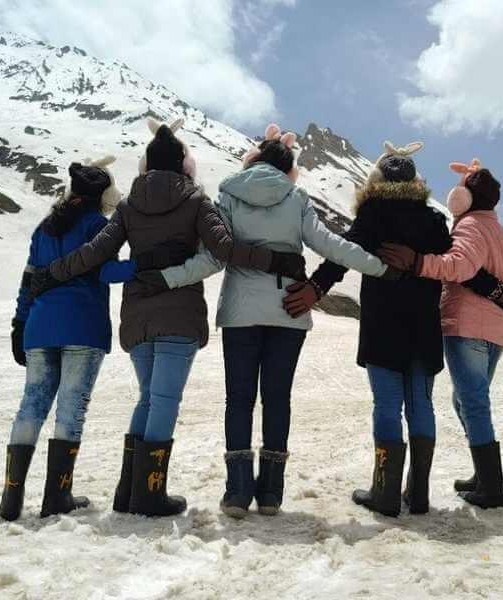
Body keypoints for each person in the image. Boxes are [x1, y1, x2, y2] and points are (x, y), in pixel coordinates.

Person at [30, 119, 306, 518]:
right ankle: (149, 493)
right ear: (184, 165)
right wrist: (276, 259)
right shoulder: (196, 201)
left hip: (138, 315)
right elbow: (225, 248)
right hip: (178, 314)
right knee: (164, 401)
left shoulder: (127, 206)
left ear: (145, 165)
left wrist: (51, 273)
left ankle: (129, 490)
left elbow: (94, 253)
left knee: (147, 398)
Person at [154, 124, 401, 519]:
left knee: (238, 399)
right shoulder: (296, 198)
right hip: (289, 310)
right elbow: (331, 245)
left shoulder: (229, 195)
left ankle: (237, 493)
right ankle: (270, 494)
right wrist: (379, 268)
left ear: (255, 160)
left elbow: (215, 256)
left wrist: (165, 278)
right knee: (277, 398)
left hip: (240, 311)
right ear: (289, 169)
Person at [283, 142, 503, 517]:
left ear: (377, 179)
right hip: (423, 325)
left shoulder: (373, 215)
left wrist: (315, 288)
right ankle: (419, 493)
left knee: (387, 405)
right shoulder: (433, 220)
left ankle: (385, 492)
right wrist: (500, 294)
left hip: (383, 323)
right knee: (421, 404)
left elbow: (342, 254)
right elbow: (458, 266)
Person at [0, 157, 178, 522]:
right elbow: (106, 272)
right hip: (82, 325)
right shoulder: (98, 225)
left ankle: (10, 499)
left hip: (38, 326)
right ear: (103, 195)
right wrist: (146, 263)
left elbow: (28, 279)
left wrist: (19, 323)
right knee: (70, 409)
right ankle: (57, 495)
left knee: (31, 405)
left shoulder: (44, 228)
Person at [379, 159, 503, 509]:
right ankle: (482, 475)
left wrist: (417, 263)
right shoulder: (500, 232)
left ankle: (491, 487)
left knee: (472, 401)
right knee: (467, 400)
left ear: (463, 199)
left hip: (468, 323)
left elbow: (459, 266)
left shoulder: (470, 227)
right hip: (496, 328)